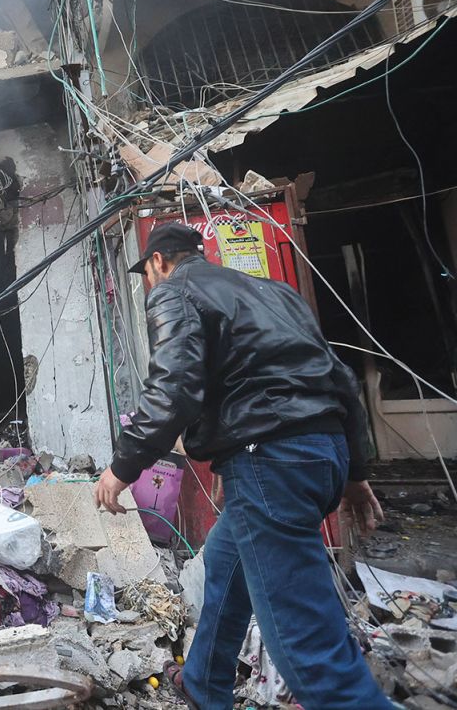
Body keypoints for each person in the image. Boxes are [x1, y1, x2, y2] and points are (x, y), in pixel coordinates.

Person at [93, 223, 392, 709]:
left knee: (304, 647)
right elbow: (340, 380)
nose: (150, 282)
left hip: (271, 460)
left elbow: (174, 388)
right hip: (322, 453)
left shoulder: (174, 292)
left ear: (158, 262)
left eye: (147, 273)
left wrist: (122, 468)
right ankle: (203, 681)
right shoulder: (276, 293)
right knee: (226, 568)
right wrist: (355, 474)